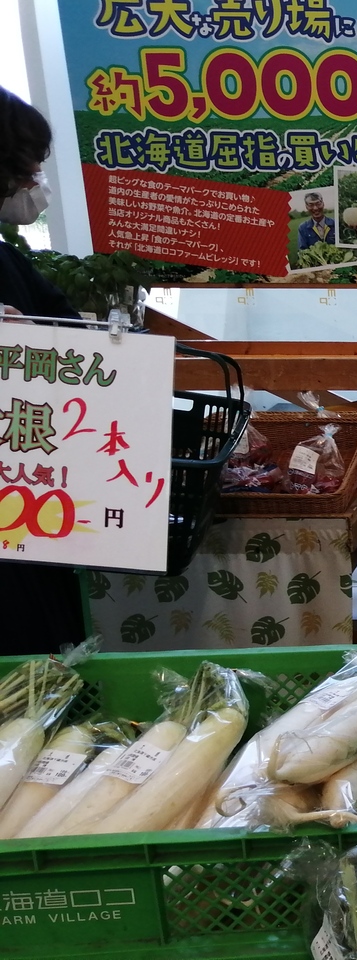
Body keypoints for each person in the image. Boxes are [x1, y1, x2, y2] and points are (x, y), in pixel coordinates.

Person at [0, 86, 88, 654]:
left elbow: (68, 328)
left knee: (43, 643)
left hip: (26, 487)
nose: (36, 181)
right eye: (28, 166)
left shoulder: (7, 255)